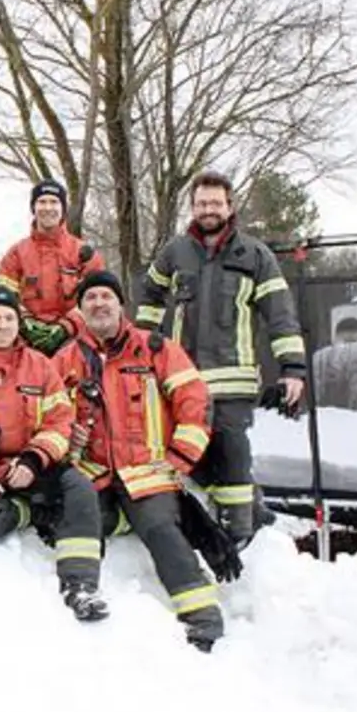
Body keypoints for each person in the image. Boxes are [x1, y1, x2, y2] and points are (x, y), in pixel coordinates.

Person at [49, 271, 225, 650]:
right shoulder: (64, 360)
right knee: (77, 519)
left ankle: (203, 616)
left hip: (147, 473)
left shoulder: (155, 348)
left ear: (120, 305)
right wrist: (67, 441)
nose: (98, 303)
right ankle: (79, 590)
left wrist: (180, 457)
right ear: (80, 311)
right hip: (92, 472)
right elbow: (45, 416)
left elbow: (195, 401)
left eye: (105, 296)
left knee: (162, 529)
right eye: (90, 298)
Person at [133, 170, 307, 545]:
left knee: (230, 449)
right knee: (189, 453)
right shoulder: (174, 252)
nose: (208, 209)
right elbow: (149, 298)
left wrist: (293, 368)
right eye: (201, 203)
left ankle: (240, 531)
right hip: (182, 380)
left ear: (230, 206)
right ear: (192, 207)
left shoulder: (255, 255)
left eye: (215, 203)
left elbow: (280, 314)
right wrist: (142, 348)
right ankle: (254, 508)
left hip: (234, 382)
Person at [0, 287, 109, 622]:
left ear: (19, 323)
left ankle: (81, 585)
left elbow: (60, 423)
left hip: (34, 463)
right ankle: (35, 512)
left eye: (9, 317)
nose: (2, 325)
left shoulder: (42, 367)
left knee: (81, 489)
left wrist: (34, 460)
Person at [0, 179, 104, 355]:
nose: (48, 207)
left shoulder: (84, 254)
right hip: (25, 343)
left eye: (54, 202)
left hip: (74, 342)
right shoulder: (16, 254)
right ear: (33, 208)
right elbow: (3, 297)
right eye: (42, 202)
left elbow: (95, 302)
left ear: (63, 209)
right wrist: (26, 324)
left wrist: (65, 328)